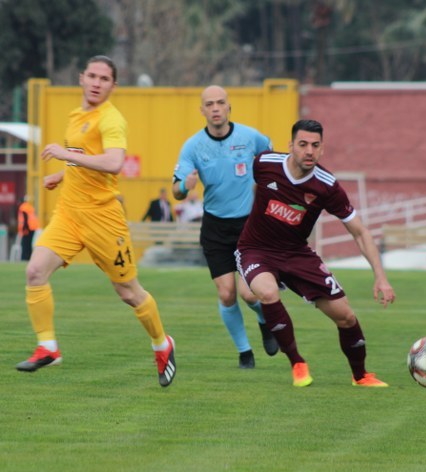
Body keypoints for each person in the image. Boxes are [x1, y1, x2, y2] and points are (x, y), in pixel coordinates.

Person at [15, 55, 176, 388]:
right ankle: (48, 346)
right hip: (69, 213)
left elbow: (115, 162)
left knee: (128, 292)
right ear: (81, 78)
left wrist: (65, 156)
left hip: (104, 220)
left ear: (113, 86)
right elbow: (86, 158)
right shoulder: (77, 117)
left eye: (104, 79)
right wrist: (63, 174)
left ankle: (162, 343)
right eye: (92, 76)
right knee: (35, 271)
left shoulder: (111, 119)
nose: (97, 83)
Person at [236, 119, 396, 387]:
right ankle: (297, 363)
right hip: (256, 249)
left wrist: (381, 277)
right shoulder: (264, 163)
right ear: (291, 146)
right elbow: (253, 187)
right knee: (266, 291)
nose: (309, 151)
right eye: (302, 144)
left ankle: (361, 376)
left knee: (345, 315)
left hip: (297, 254)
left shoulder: (327, 186)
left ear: (322, 149)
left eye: (315, 145)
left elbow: (360, 232)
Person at [172, 85, 278, 368]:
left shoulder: (249, 136)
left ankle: (264, 321)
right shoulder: (193, 146)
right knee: (227, 293)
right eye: (210, 104)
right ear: (202, 110)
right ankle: (245, 352)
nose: (216, 108)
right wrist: (185, 185)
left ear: (229, 107)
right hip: (215, 228)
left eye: (221, 102)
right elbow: (176, 191)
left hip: (248, 227)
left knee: (248, 293)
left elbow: (272, 159)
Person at [17, 196, 39, 261]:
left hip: (27, 228)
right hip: (33, 228)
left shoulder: (23, 207)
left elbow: (25, 218)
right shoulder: (29, 206)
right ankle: (29, 257)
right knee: (29, 244)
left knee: (24, 244)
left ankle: (24, 258)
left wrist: (25, 228)